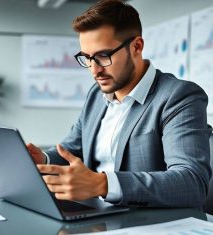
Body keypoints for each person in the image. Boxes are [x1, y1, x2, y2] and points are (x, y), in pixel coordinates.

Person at [27, 0, 211, 207]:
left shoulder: (178, 96)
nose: (94, 70)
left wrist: (102, 184)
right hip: (96, 217)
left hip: (147, 222)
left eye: (103, 56)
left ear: (136, 47)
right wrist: (43, 159)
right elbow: (73, 150)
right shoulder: (96, 95)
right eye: (87, 58)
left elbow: (192, 182)